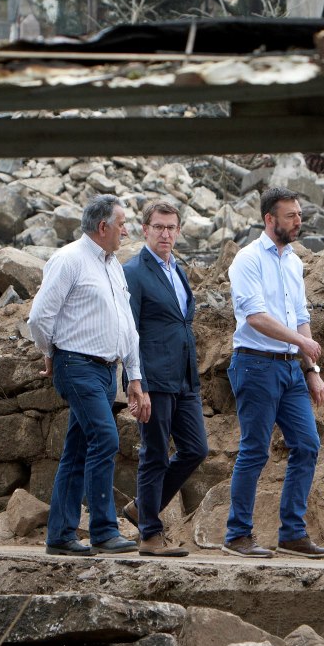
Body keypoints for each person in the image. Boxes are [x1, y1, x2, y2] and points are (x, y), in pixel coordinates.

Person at [27, 195, 151, 556]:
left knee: (78, 449)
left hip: (104, 371)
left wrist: (135, 376)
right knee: (106, 439)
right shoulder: (68, 260)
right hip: (76, 365)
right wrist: (51, 353)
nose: (126, 230)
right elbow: (39, 318)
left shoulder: (113, 265)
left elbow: (127, 325)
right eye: (122, 223)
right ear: (103, 227)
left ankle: (61, 534)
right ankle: (103, 530)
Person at [224, 187, 324, 558]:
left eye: (299, 215)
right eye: (290, 216)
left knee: (307, 444)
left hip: (289, 371)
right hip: (255, 364)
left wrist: (312, 369)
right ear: (270, 220)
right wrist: (303, 345)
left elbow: (300, 317)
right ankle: (238, 535)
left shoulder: (293, 262)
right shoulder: (247, 260)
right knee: (254, 450)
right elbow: (255, 318)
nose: (298, 221)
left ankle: (292, 534)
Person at [120, 201, 209, 557]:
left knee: (196, 448)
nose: (165, 234)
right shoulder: (134, 272)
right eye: (158, 227)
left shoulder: (178, 270)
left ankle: (144, 508)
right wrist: (134, 381)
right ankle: (150, 535)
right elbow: (130, 331)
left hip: (185, 376)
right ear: (145, 230)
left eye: (171, 227)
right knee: (155, 453)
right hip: (153, 377)